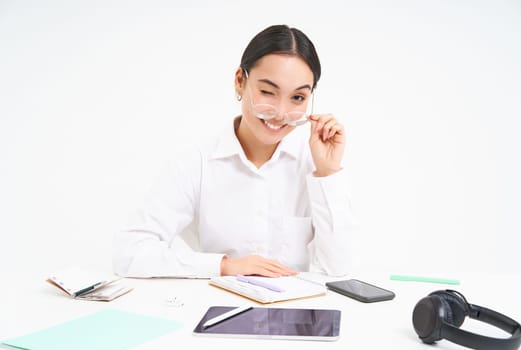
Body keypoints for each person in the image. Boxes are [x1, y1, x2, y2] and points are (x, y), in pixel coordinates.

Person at [113, 24, 353, 278]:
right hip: (218, 308)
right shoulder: (197, 163)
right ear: (240, 81)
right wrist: (225, 266)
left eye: (297, 98)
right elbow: (130, 253)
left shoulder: (311, 165)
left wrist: (327, 174)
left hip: (294, 313)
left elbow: (339, 270)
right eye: (267, 92)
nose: (281, 113)